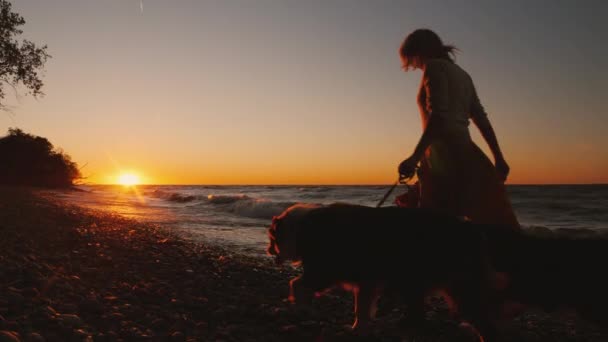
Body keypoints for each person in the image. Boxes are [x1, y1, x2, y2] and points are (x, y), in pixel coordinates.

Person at [397, 29, 519, 228]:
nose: (415, 65)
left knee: (436, 222)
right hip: (466, 151)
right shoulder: (463, 75)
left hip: (442, 154)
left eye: (413, 59)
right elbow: (481, 118)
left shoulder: (434, 67)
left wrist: (414, 157)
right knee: (474, 218)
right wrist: (498, 157)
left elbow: (438, 117)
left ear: (420, 51)